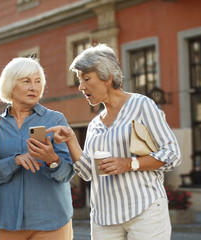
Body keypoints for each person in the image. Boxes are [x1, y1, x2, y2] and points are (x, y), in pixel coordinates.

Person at [48, 44, 181, 240]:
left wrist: (129, 164)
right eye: (79, 80)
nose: (81, 87)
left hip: (145, 211)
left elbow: (172, 153)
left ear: (108, 77)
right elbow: (87, 173)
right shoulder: (94, 124)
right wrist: (71, 141)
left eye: (86, 78)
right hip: (104, 218)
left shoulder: (142, 105)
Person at [0, 57, 75, 240]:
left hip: (52, 221)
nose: (34, 87)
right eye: (26, 81)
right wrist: (14, 161)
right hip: (7, 221)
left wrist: (52, 159)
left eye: (38, 81)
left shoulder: (56, 120)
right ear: (10, 86)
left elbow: (68, 173)